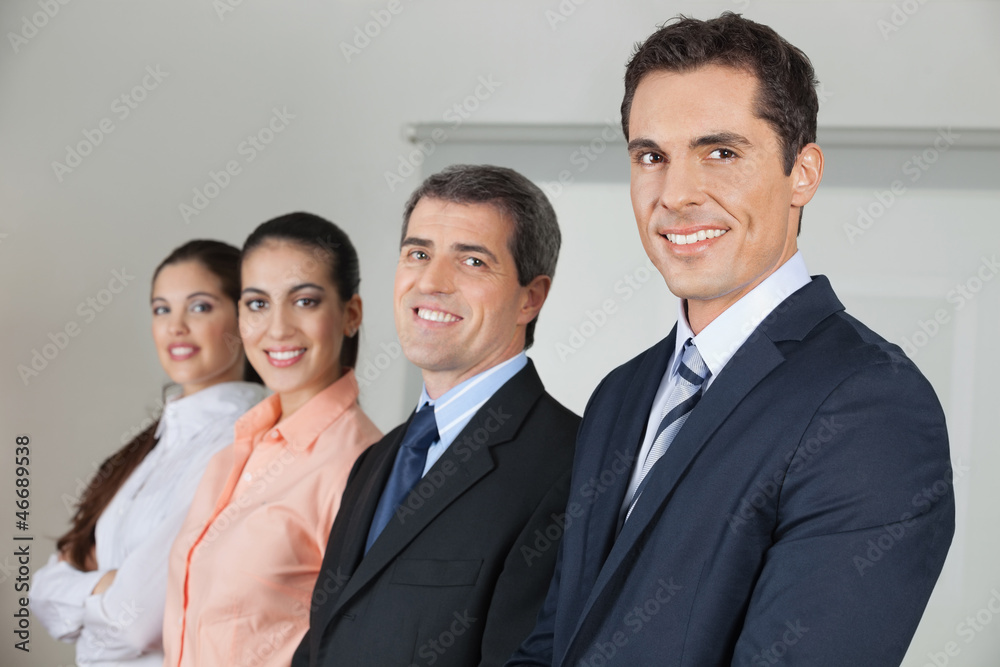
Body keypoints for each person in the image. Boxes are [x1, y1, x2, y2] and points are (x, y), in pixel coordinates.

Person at [509, 13, 954, 666]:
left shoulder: (872, 407)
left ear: (803, 173)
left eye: (720, 153)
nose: (676, 194)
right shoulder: (619, 395)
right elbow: (556, 644)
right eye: (652, 157)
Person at [292, 164, 580, 667]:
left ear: (530, 299)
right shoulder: (378, 458)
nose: (430, 281)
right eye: (419, 254)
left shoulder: (570, 465)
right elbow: (325, 640)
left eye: (472, 261)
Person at [31, 240, 269, 666]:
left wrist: (92, 596)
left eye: (199, 307)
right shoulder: (152, 444)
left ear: (245, 316)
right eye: (161, 309)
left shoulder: (240, 443)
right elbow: (42, 590)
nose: (175, 327)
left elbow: (136, 621)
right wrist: (105, 587)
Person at [162, 213, 382, 667]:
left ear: (351, 314)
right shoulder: (233, 452)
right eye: (258, 303)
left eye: (304, 301)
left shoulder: (362, 468)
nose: (277, 328)